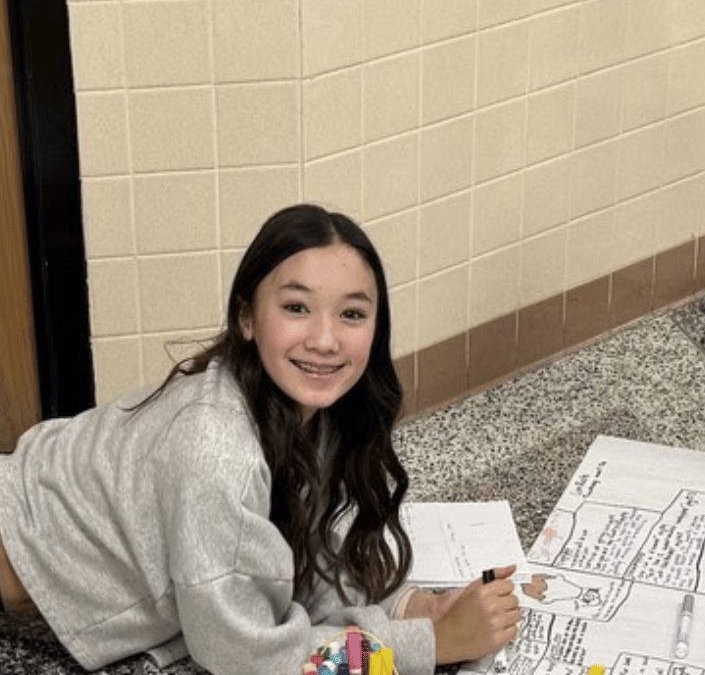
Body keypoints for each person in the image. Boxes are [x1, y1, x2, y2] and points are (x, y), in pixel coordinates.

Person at [0, 205, 523, 674]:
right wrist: (431, 644)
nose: (324, 339)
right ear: (247, 318)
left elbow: (293, 554)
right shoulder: (218, 450)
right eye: (296, 308)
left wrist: (407, 609)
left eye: (352, 314)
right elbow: (247, 656)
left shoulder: (301, 404)